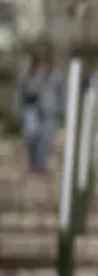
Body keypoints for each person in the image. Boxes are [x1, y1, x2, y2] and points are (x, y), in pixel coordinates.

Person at [14, 42, 62, 176]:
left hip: (50, 111)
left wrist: (62, 109)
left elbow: (62, 93)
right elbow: (20, 92)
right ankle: (33, 164)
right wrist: (18, 109)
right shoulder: (27, 74)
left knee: (46, 140)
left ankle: (41, 166)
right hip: (31, 110)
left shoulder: (55, 75)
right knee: (32, 138)